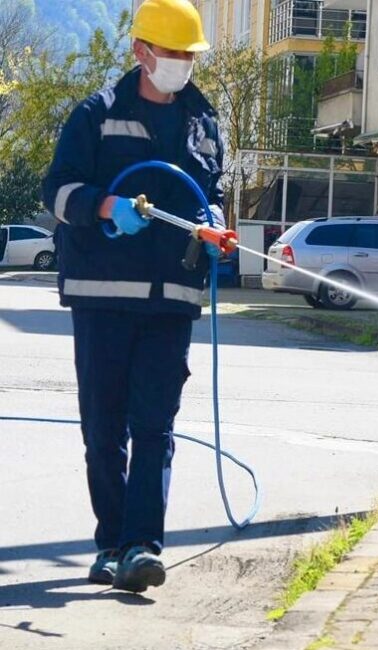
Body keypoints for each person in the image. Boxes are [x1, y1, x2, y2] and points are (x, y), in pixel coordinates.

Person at [41, 0, 224, 593]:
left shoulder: (202, 122)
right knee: (103, 429)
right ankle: (110, 543)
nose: (181, 65)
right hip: (102, 296)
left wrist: (214, 221)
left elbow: (209, 192)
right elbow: (58, 190)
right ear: (141, 52)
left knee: (154, 426)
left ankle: (143, 546)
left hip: (171, 297)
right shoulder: (96, 115)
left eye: (189, 56)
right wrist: (103, 205)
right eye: (172, 53)